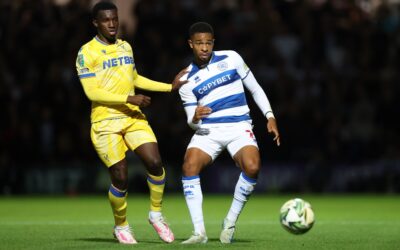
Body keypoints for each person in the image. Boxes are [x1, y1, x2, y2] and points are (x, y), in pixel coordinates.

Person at [75, 2, 187, 245]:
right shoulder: (86, 53)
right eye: (106, 20)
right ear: (95, 23)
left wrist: (169, 87)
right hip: (105, 122)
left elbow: (134, 77)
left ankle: (156, 215)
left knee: (155, 162)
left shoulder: (126, 46)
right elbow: (92, 93)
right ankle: (121, 225)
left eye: (114, 19)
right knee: (121, 177)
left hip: (132, 115)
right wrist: (129, 97)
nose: (112, 24)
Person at [178, 22, 281, 244]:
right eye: (199, 43)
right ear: (190, 44)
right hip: (209, 130)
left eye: (208, 43)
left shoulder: (232, 58)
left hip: (238, 127)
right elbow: (191, 121)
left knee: (253, 167)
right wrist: (195, 117)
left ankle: (230, 222)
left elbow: (255, 88)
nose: (204, 48)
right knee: (189, 166)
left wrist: (269, 116)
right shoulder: (185, 79)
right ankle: (199, 232)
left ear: (213, 43)